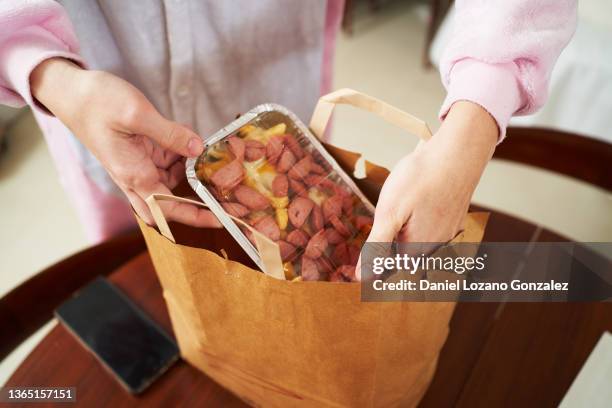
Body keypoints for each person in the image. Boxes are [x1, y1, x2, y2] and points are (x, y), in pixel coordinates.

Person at [0, 1, 576, 253]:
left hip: (280, 110)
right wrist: (48, 75)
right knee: (153, 272)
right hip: (104, 122)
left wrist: (471, 131)